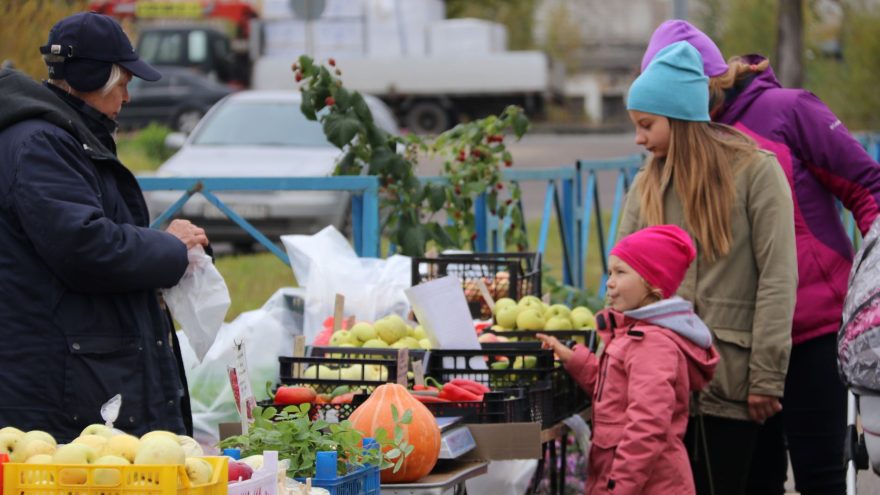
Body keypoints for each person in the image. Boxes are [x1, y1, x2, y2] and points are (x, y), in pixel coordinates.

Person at [642, 19, 880, 495]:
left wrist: (870, 289)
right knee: (756, 478)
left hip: (811, 328)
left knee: (822, 474)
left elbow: (868, 188)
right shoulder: (679, 144)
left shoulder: (787, 111)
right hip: (735, 346)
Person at [0, 12, 209, 442]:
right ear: (95, 78)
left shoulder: (61, 135)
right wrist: (168, 248)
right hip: (60, 380)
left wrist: (160, 248)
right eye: (123, 83)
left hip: (73, 368)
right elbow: (85, 246)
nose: (128, 98)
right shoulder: (42, 143)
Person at [618, 41, 799, 495]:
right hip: (657, 390)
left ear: (678, 118)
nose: (638, 139)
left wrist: (767, 378)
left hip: (732, 386)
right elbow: (619, 278)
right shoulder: (647, 183)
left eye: (646, 125)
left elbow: (778, 279)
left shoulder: (757, 172)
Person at [538, 224, 719, 494]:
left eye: (621, 272)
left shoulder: (652, 344)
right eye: (610, 272)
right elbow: (614, 391)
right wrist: (574, 359)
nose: (609, 281)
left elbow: (647, 427)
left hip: (647, 485)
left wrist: (618, 487)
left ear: (652, 283)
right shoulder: (631, 333)